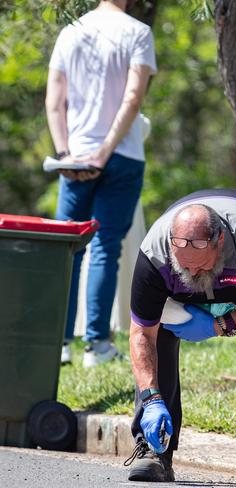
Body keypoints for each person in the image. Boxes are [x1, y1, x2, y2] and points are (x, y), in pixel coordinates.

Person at [123, 189, 236, 487]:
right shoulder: (154, 256)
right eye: (185, 266)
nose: (192, 271)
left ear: (219, 241)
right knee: (162, 333)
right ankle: (155, 448)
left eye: (200, 265)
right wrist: (150, 398)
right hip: (182, 297)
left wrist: (221, 324)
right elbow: (141, 332)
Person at [45, 0, 156, 367]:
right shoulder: (138, 32)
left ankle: (58, 343)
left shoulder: (69, 31)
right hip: (121, 156)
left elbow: (54, 101)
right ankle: (97, 346)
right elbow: (133, 96)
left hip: (75, 157)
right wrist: (105, 152)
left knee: (67, 250)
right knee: (106, 247)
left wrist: (64, 153)